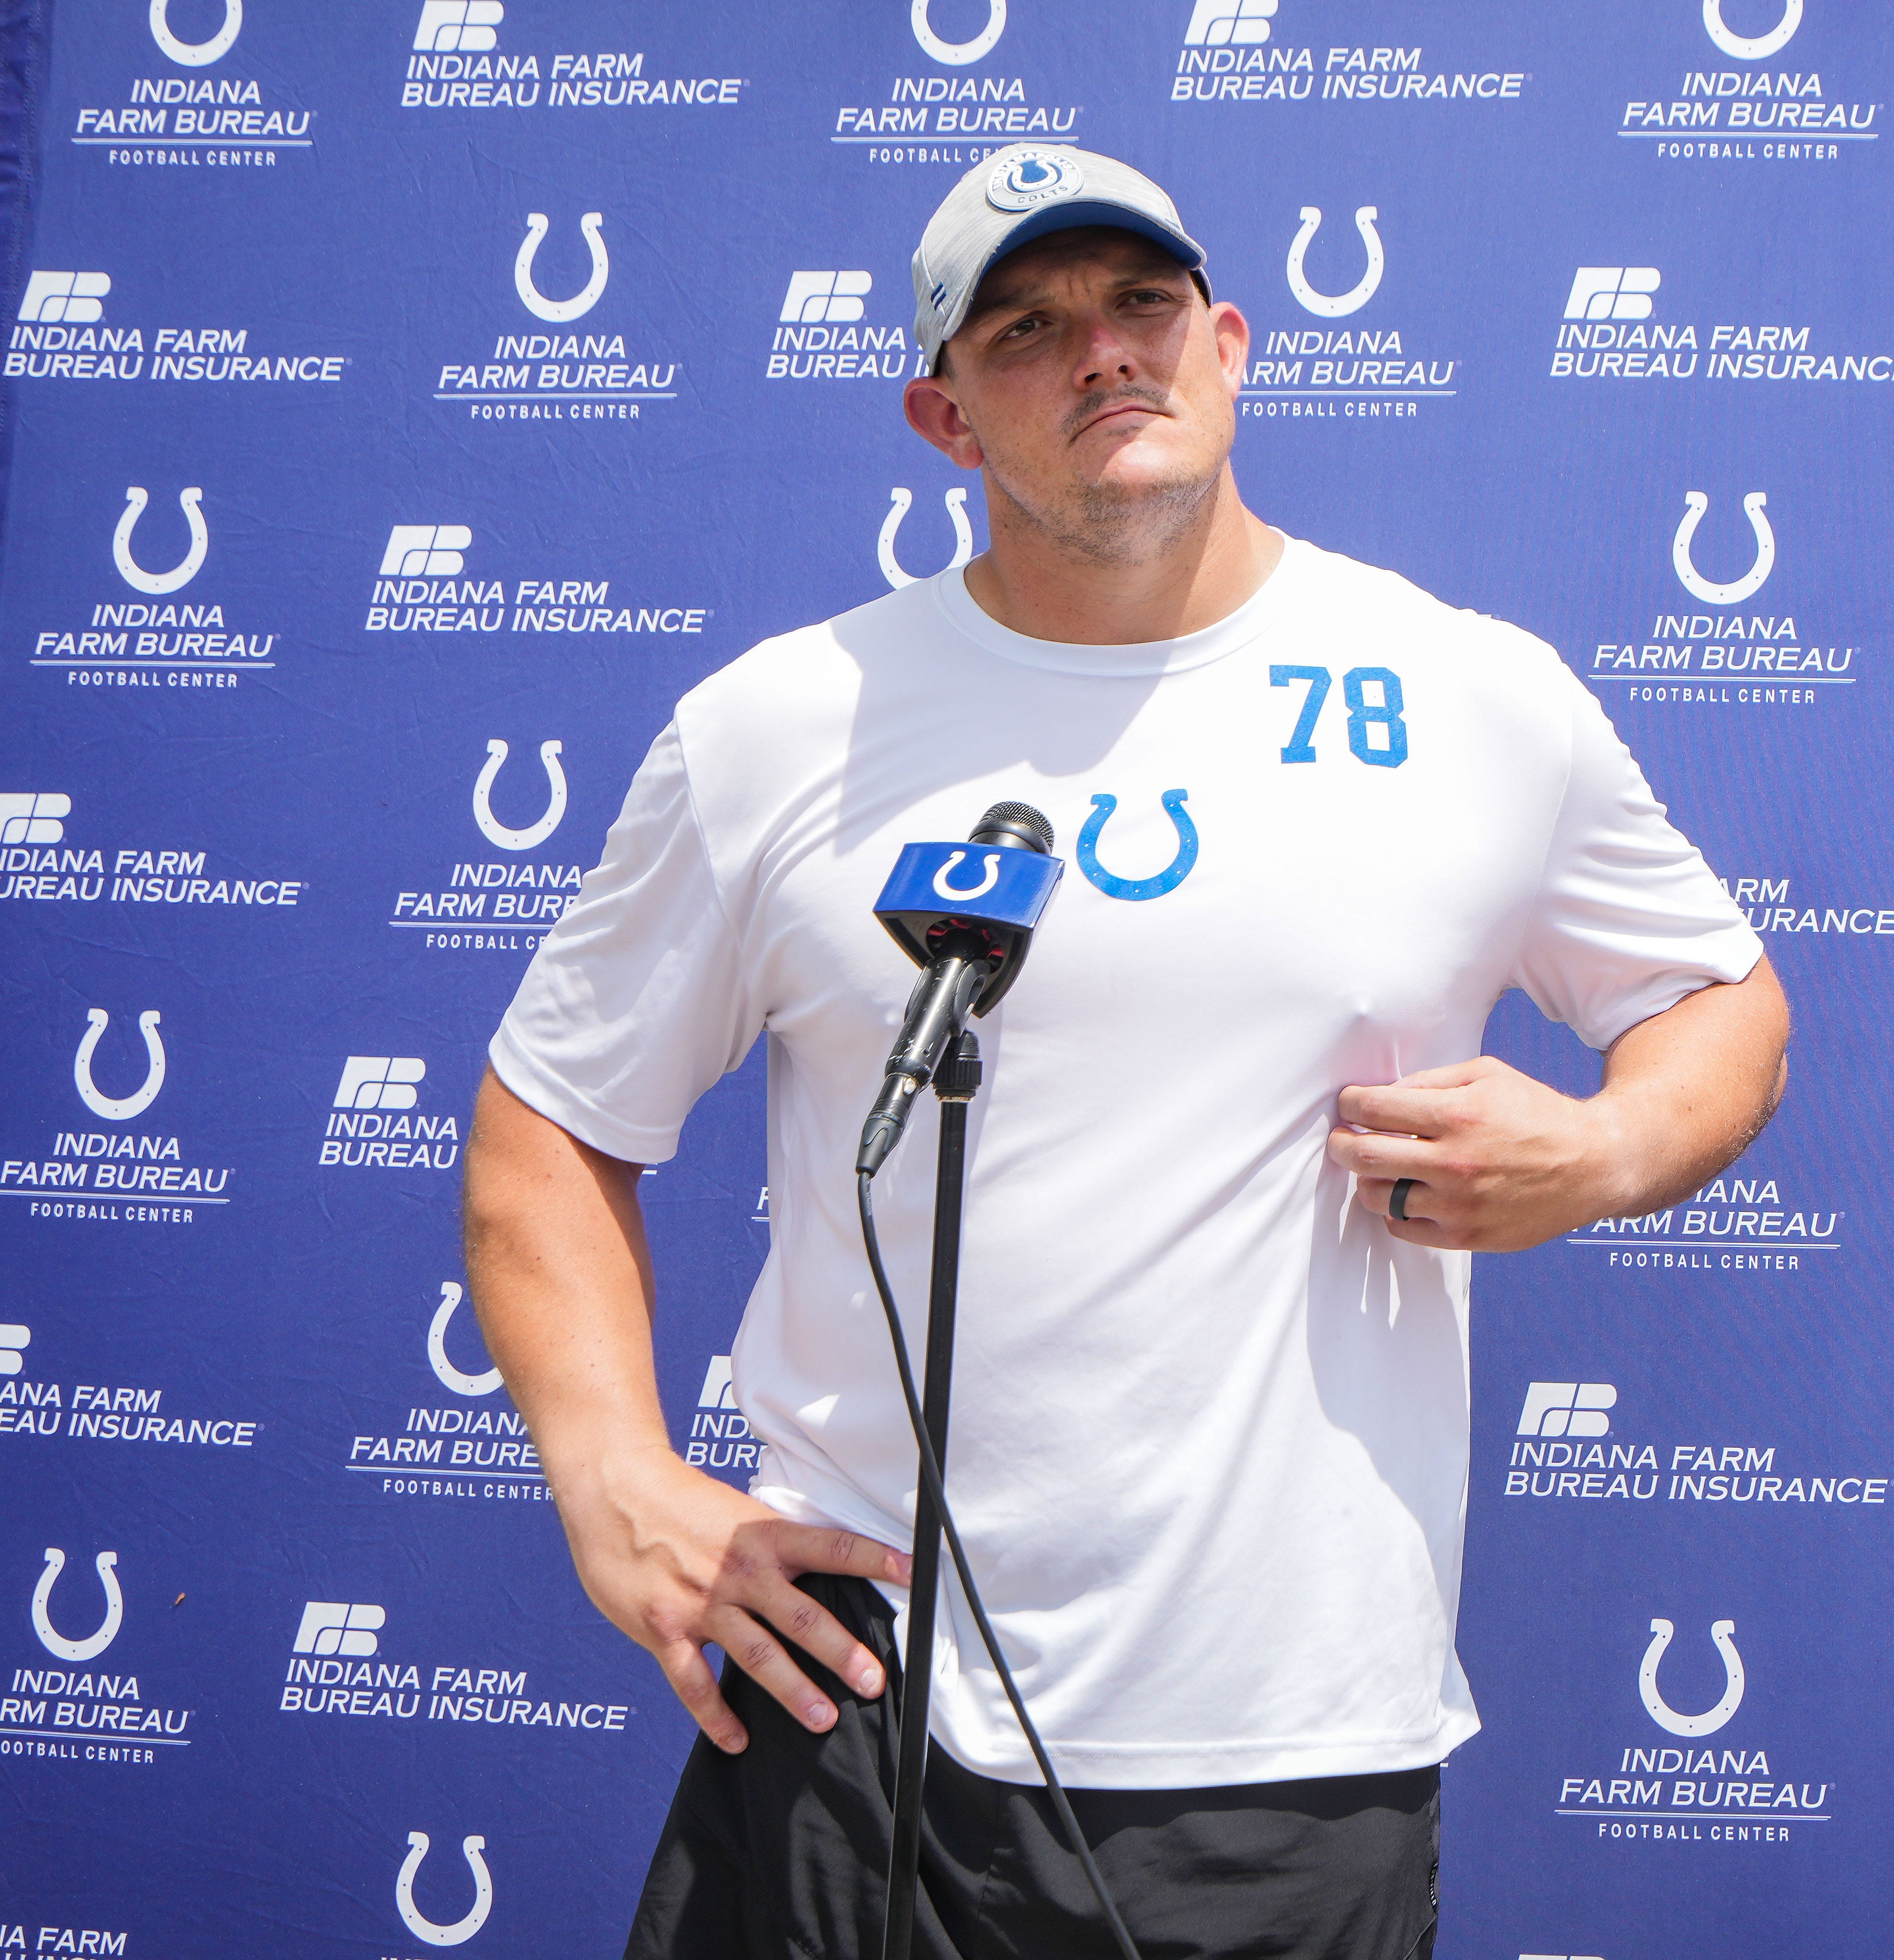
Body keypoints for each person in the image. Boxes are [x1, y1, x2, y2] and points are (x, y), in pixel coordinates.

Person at [459, 144, 1790, 1959]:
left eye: (1141, 305)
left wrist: (1607, 1150)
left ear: (1229, 345)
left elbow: (1723, 1003)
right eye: (1028, 328)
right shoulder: (778, 730)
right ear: (945, 415)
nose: (1103, 353)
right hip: (857, 1712)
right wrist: (612, 1473)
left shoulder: (1477, 695)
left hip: (1291, 1753)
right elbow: (549, 1114)